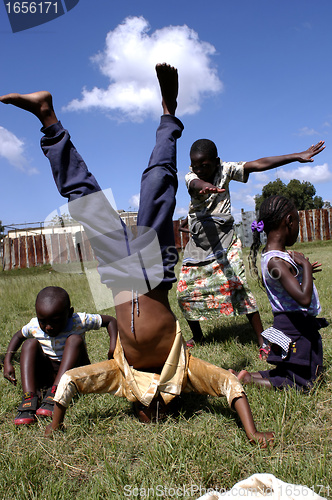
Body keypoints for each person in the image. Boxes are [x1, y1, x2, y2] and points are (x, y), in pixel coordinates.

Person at [0, 64, 274, 447]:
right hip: (153, 272)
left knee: (83, 198)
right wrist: (252, 431)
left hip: (116, 274)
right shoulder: (186, 372)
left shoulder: (119, 376)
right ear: (172, 402)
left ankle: (48, 118)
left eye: (144, 413)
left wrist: (55, 422)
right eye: (157, 411)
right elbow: (229, 385)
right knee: (157, 186)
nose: (150, 411)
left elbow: (73, 381)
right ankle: (168, 112)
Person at [177, 138, 325, 354]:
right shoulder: (192, 176)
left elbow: (258, 164)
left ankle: (261, 339)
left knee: (239, 287)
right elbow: (194, 183)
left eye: (205, 166)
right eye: (196, 166)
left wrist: (296, 155)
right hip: (199, 242)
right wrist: (205, 186)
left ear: (216, 162)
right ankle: (198, 335)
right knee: (185, 292)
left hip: (224, 239)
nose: (199, 170)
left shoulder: (225, 169)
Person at [229, 195, 326, 390]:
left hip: (295, 326)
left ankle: (248, 375)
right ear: (289, 221)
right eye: (297, 222)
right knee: (304, 384)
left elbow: (287, 283)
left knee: (297, 373)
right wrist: (305, 266)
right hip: (295, 328)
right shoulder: (276, 261)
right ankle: (248, 380)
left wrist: (301, 273)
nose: (298, 228)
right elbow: (304, 298)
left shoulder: (275, 257)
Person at [3, 286, 117, 425]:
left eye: (55, 321)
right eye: (43, 321)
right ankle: (29, 397)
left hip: (74, 372)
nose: (48, 327)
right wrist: (8, 361)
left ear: (69, 313)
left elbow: (110, 321)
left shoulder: (79, 321)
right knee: (29, 344)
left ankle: (56, 392)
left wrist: (113, 347)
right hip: (48, 373)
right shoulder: (34, 326)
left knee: (74, 340)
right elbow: (17, 336)